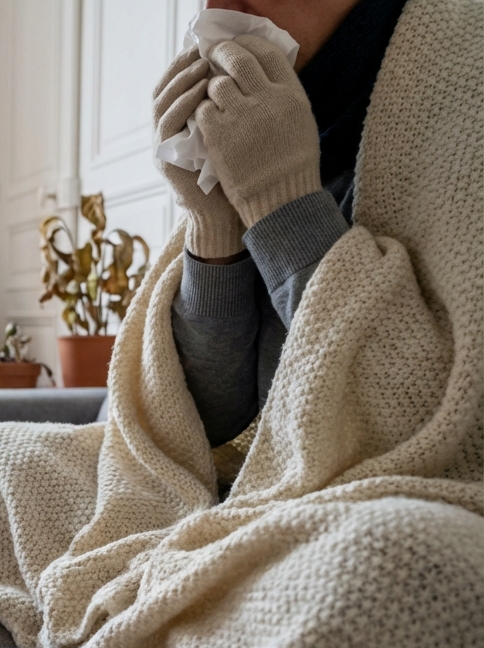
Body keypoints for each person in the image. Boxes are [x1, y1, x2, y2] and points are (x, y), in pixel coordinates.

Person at [156, 0, 409, 447]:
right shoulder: (241, 143)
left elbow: (406, 409)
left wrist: (281, 198)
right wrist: (212, 226)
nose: (217, 8)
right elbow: (207, 428)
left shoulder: (457, 120)